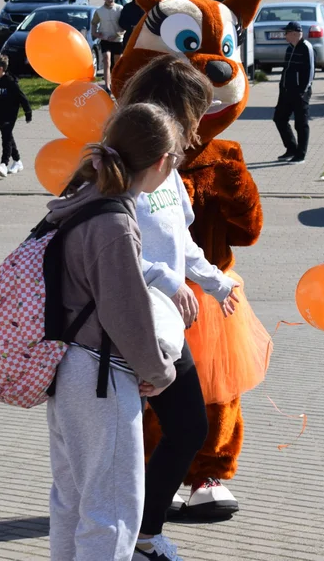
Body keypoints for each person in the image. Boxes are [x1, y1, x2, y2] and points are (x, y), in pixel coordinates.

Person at [116, 55, 243, 561]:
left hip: (162, 324)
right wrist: (168, 281)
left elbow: (180, 240)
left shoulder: (167, 168)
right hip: (124, 324)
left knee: (186, 426)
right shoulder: (121, 167)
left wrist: (213, 281)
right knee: (162, 430)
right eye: (196, 112)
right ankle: (133, 532)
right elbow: (111, 246)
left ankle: (143, 530)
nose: (200, 126)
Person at [44, 102, 183, 561]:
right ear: (161, 162)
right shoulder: (115, 222)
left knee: (74, 500)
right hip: (99, 375)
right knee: (113, 511)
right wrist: (160, 371)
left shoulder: (82, 200)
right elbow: (126, 314)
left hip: (66, 369)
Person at [0, 53, 32, 178]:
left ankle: (4, 164)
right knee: (8, 137)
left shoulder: (10, 81)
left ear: (0, 68)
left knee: (5, 137)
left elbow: (22, 97)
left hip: (10, 114)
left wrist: (28, 112)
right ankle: (18, 161)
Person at [274, 21, 314, 164]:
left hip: (300, 93)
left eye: (287, 33)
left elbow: (310, 71)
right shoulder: (290, 48)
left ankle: (301, 155)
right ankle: (291, 148)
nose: (285, 35)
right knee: (279, 118)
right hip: (286, 91)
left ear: (294, 33)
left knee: (301, 124)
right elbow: (286, 70)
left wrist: (302, 91)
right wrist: (282, 86)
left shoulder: (306, 47)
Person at [92, 0, 125, 86]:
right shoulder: (99, 11)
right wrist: (95, 33)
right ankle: (107, 85)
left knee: (117, 63)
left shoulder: (120, 9)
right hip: (105, 39)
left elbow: (124, 25)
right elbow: (94, 23)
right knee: (106, 60)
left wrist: (117, 35)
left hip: (118, 39)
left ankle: (117, 83)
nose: (110, 0)